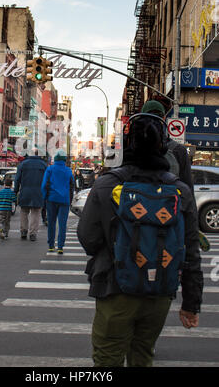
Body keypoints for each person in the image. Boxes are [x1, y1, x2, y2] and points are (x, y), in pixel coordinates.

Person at [77, 113, 203, 367]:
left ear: (126, 144)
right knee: (143, 356)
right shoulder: (180, 191)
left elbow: (88, 239)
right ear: (163, 145)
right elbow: (190, 250)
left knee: (107, 361)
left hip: (116, 289)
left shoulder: (106, 185)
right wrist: (191, 303)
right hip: (159, 293)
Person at [142, 99, 210, 252]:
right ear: (164, 119)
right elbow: (188, 195)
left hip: (138, 227)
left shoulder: (131, 151)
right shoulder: (177, 150)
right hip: (169, 224)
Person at [41, 149, 75, 254]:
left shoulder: (50, 169)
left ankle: (51, 246)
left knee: (51, 223)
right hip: (64, 200)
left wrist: (44, 198)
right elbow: (72, 186)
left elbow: (44, 185)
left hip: (51, 199)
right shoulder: (69, 171)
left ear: (55, 159)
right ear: (64, 160)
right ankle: (60, 246)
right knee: (62, 224)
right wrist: (70, 199)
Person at [14, 152, 46, 241]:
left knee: (24, 211)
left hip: (25, 191)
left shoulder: (23, 164)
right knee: (35, 213)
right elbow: (47, 180)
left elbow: (17, 179)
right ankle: (33, 233)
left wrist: (15, 190)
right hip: (38, 192)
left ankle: (23, 231)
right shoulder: (43, 165)